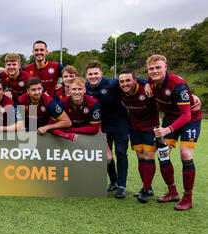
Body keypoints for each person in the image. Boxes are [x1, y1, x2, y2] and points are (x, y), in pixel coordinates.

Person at [147, 54, 202, 210]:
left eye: (158, 67)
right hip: (170, 119)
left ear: (166, 67)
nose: (154, 71)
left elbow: (186, 115)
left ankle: (187, 198)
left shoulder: (178, 85)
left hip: (189, 119)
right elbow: (141, 80)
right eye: (151, 68)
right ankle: (172, 192)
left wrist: (166, 130)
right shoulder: (151, 81)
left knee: (185, 154)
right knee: (163, 154)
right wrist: (146, 85)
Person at [85, 60, 139, 198]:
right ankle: (114, 180)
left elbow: (138, 80)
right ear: (86, 75)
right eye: (90, 74)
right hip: (102, 125)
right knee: (106, 156)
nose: (93, 77)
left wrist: (147, 84)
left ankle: (122, 185)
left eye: (96, 73)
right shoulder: (85, 86)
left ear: (101, 73)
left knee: (121, 152)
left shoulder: (113, 83)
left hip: (120, 122)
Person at [118, 69, 159, 203]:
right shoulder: (121, 92)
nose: (125, 84)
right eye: (122, 81)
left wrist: (147, 82)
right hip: (134, 127)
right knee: (140, 156)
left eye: (128, 80)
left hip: (151, 127)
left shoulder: (146, 89)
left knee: (149, 155)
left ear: (135, 80)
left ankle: (146, 190)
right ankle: (147, 186)